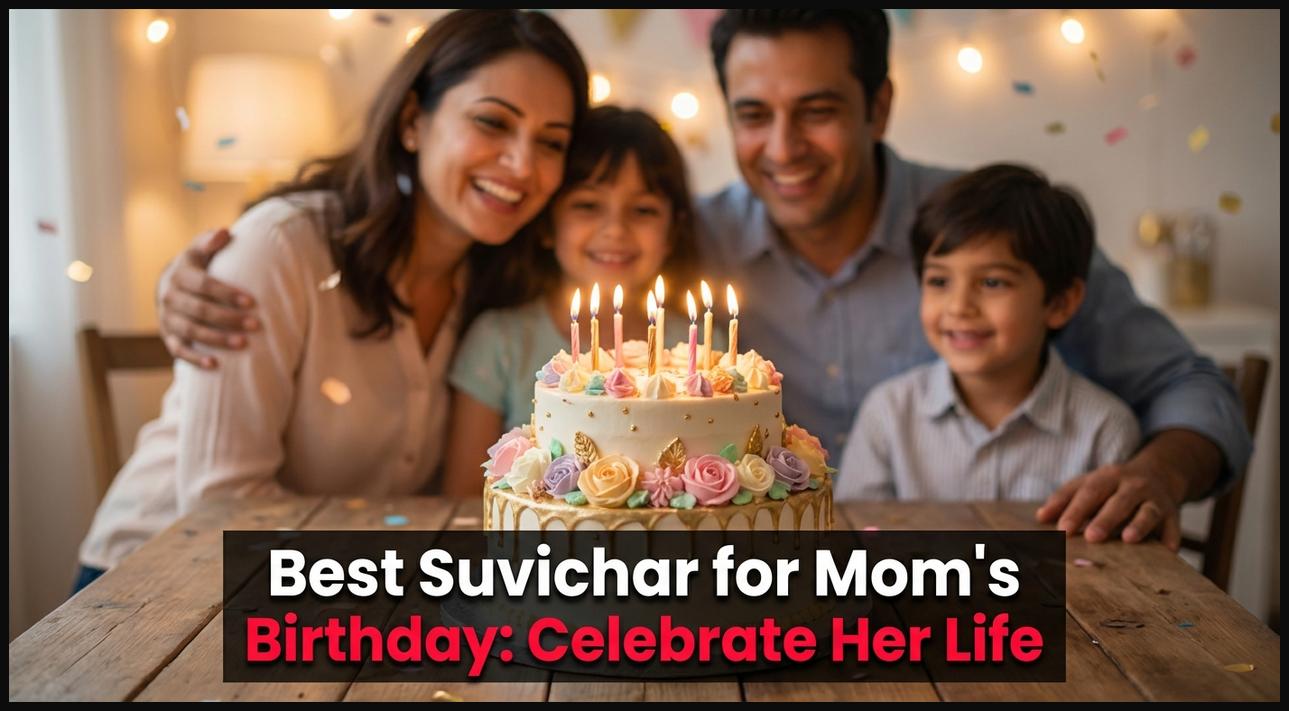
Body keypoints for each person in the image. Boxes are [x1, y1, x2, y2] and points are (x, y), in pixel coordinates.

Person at [153, 11, 1250, 550]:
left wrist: (1158, 472)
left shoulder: (989, 234)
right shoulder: (682, 246)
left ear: (876, 106)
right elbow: (481, 242)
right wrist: (212, 256)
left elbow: (1188, 388)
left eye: (818, 109)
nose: (783, 146)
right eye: (752, 114)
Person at [73, 9, 588, 591]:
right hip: (150, 585)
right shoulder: (283, 247)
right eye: (493, 123)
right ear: (413, 121)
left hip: (325, 588)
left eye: (551, 142)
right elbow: (223, 505)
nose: (523, 165)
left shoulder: (502, 286)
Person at [442, 105, 711, 494]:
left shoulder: (701, 348)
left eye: (643, 210)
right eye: (587, 205)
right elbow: (466, 497)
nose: (616, 229)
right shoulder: (500, 341)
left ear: (673, 233)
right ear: (547, 226)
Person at [835, 164, 1140, 501]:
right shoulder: (889, 414)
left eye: (992, 282)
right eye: (939, 281)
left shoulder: (1105, 430)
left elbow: (1112, 552)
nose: (959, 306)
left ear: (1060, 303)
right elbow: (853, 540)